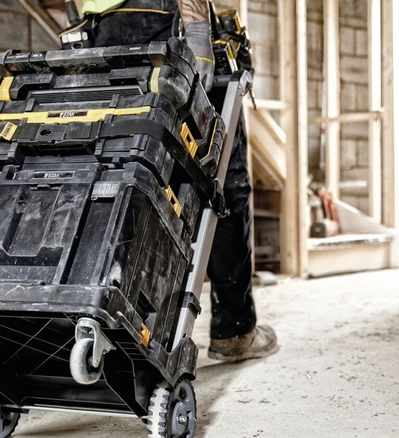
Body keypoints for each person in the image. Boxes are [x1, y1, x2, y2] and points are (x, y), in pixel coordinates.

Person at [80, 0, 278, 362]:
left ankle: (123, 326)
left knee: (127, 171)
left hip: (106, 27)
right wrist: (200, 31)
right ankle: (234, 330)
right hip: (171, 21)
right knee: (219, 178)